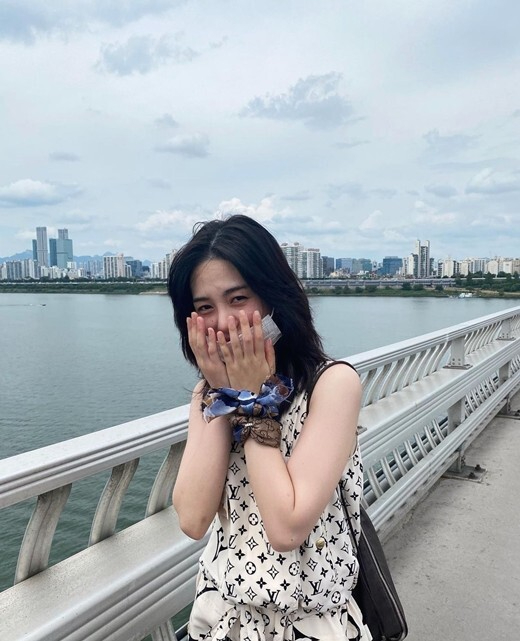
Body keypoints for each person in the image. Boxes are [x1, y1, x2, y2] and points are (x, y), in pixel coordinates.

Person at [167, 215, 370, 641]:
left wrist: (253, 403)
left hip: (308, 622)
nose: (223, 322)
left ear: (274, 297)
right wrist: (225, 394)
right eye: (204, 308)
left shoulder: (331, 385)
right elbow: (193, 518)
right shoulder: (209, 394)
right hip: (224, 618)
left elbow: (286, 527)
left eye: (238, 298)